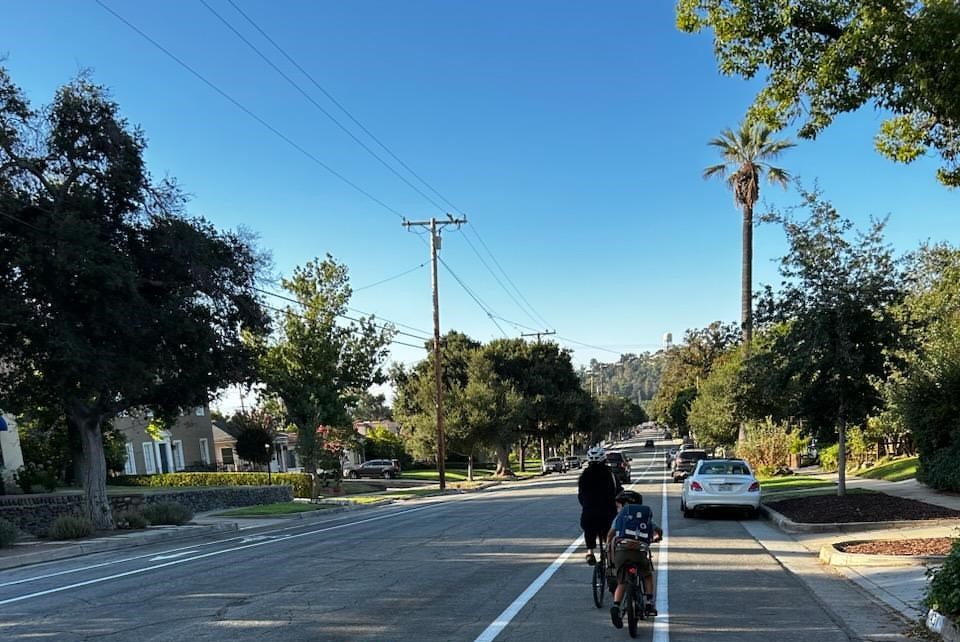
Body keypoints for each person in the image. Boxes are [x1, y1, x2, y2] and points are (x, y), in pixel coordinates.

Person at [606, 489, 662, 628]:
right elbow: (657, 531)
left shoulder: (620, 517)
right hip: (639, 551)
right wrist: (656, 538)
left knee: (622, 582)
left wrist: (609, 545)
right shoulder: (644, 517)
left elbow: (611, 534)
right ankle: (649, 603)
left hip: (622, 552)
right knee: (647, 575)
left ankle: (616, 606)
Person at [577, 446, 618, 566]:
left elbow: (581, 496)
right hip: (608, 514)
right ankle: (610, 557)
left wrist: (587, 506)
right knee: (611, 534)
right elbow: (618, 491)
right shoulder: (610, 475)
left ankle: (590, 552)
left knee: (588, 528)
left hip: (589, 515)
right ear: (604, 459)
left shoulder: (584, 476)